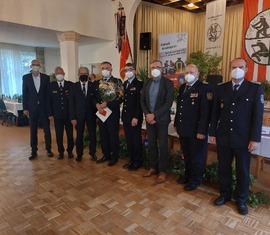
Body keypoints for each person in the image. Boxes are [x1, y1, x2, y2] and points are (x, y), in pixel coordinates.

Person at [209, 58, 264, 215]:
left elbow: (257, 117)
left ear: (246, 69)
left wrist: (255, 139)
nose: (237, 69)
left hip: (244, 139)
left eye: (240, 67)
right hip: (224, 137)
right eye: (234, 67)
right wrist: (212, 132)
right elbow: (215, 113)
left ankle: (241, 199)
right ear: (229, 69)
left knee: (242, 171)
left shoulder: (254, 89)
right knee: (224, 168)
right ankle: (224, 195)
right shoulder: (221, 88)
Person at [174, 64, 213, 191]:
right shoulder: (183, 87)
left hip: (197, 131)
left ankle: (196, 180)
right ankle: (188, 175)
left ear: (197, 74)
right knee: (187, 155)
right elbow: (179, 108)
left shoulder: (204, 88)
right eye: (186, 72)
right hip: (184, 128)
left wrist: (202, 130)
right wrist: (176, 123)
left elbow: (205, 112)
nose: (188, 74)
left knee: (197, 157)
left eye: (191, 72)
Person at [140, 59, 174, 183]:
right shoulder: (147, 82)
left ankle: (163, 171)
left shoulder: (168, 83)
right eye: (152, 68)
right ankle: (153, 167)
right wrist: (148, 115)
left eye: (157, 67)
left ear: (162, 69)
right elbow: (142, 101)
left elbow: (168, 103)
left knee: (163, 146)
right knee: (152, 144)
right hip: (149, 120)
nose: (155, 70)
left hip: (162, 120)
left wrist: (153, 115)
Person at [22, 59, 53, 160]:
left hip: (43, 108)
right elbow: (25, 93)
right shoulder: (26, 78)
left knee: (47, 130)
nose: (35, 66)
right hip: (32, 108)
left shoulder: (46, 77)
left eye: (37, 65)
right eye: (33, 65)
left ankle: (49, 149)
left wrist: (49, 111)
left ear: (40, 66)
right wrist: (25, 108)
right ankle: (33, 151)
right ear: (31, 66)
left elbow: (48, 95)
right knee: (33, 130)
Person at [95, 61, 123, 166]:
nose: (105, 70)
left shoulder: (117, 81)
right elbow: (94, 97)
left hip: (112, 113)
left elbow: (120, 97)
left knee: (113, 135)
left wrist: (108, 104)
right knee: (103, 135)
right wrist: (97, 105)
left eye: (107, 68)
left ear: (111, 69)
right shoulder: (97, 82)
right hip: (101, 112)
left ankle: (114, 156)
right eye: (103, 68)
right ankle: (106, 154)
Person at [69, 67, 97, 162]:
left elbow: (96, 101)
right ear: (78, 75)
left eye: (85, 73)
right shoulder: (74, 86)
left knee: (92, 135)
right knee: (79, 135)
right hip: (78, 116)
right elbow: (71, 103)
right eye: (81, 73)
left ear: (88, 74)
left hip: (91, 115)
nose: (83, 75)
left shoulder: (93, 86)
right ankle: (79, 154)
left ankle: (93, 153)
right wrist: (72, 117)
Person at [47, 67, 74, 159]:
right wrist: (50, 114)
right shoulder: (51, 86)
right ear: (55, 75)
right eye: (57, 73)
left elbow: (73, 101)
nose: (59, 75)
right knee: (59, 135)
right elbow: (49, 101)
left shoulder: (70, 85)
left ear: (64, 74)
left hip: (68, 115)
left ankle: (70, 151)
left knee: (70, 135)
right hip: (57, 115)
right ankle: (61, 152)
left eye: (61, 73)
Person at [122, 63, 143, 171]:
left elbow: (140, 103)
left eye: (130, 70)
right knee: (129, 140)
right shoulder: (125, 83)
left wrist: (136, 117)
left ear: (134, 71)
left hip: (134, 118)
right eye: (126, 70)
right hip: (126, 117)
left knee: (136, 140)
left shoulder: (139, 84)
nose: (128, 72)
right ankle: (131, 160)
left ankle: (138, 161)